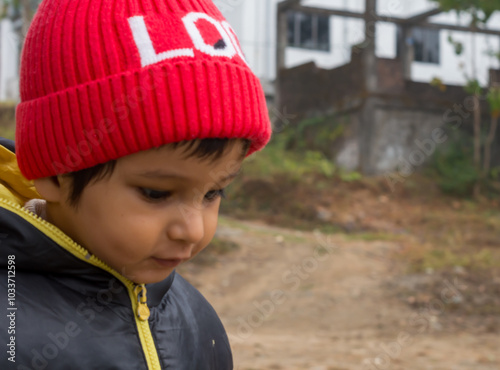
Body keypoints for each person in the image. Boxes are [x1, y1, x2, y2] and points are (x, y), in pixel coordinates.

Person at [0, 0, 271, 368]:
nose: (192, 230)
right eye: (156, 193)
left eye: (213, 193)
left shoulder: (197, 322)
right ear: (53, 174)